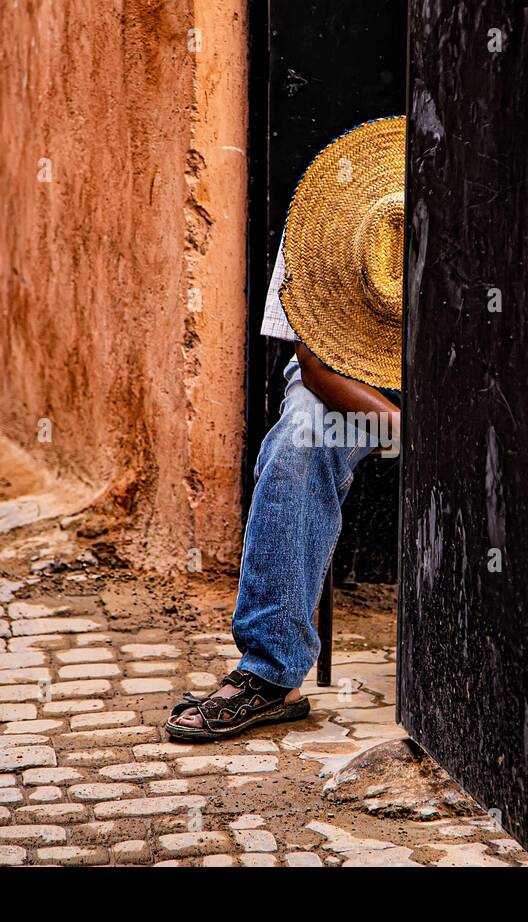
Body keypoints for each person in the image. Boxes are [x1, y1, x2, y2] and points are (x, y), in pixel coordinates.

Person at [168, 116, 405, 741]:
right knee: (298, 441)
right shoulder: (324, 226)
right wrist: (405, 430)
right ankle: (273, 674)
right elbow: (319, 370)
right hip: (349, 384)